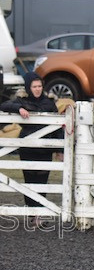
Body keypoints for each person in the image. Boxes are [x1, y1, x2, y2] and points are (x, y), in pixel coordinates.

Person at [0, 72, 62, 221]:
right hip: (27, 146)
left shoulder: (49, 103)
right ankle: (32, 213)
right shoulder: (22, 100)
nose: (37, 89)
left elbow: (59, 126)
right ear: (28, 87)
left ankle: (39, 213)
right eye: (34, 86)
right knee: (29, 180)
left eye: (40, 86)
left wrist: (60, 150)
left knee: (42, 181)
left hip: (45, 147)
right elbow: (4, 105)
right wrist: (20, 108)